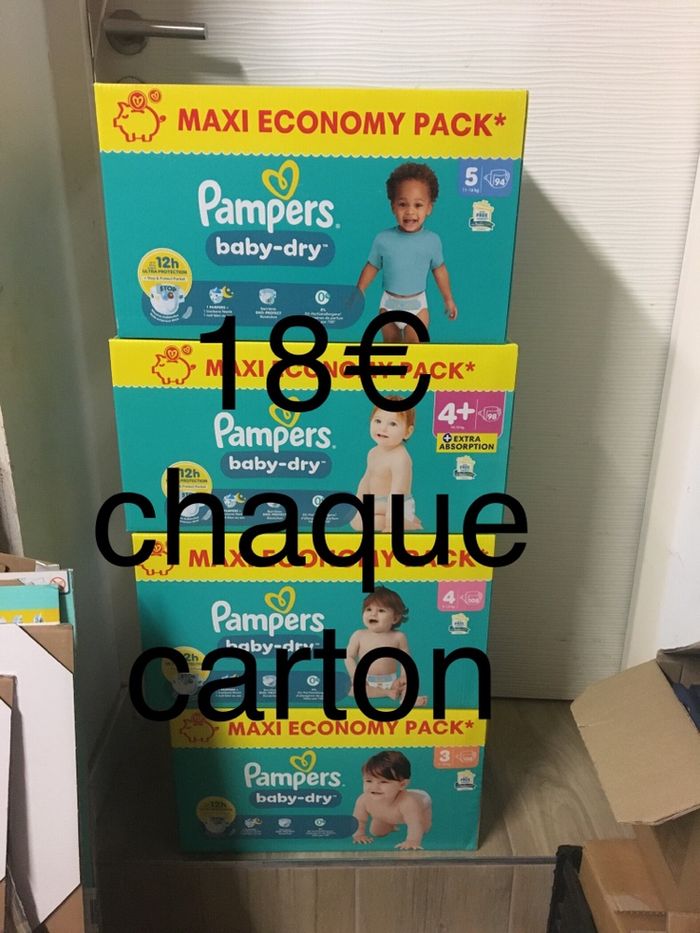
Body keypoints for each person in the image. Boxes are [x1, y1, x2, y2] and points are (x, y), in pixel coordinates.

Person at [357, 162, 458, 343]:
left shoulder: (432, 240)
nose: (410, 211)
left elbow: (440, 270)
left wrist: (448, 299)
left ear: (429, 208)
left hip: (417, 306)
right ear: (393, 207)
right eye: (403, 204)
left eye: (418, 205)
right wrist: (360, 290)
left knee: (415, 348)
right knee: (390, 348)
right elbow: (372, 267)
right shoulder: (383, 239)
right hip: (388, 304)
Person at [350, 399, 422, 532]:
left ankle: (408, 523)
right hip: (378, 502)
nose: (383, 428)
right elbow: (366, 480)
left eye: (393, 424)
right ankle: (407, 521)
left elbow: (397, 492)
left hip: (398, 505)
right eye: (378, 421)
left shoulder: (400, 458)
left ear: (407, 432)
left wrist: (390, 524)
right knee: (355, 521)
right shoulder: (373, 452)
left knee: (363, 524)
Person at [352, 751, 432, 850]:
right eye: (369, 781)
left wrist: (412, 841)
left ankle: (394, 821)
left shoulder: (408, 802)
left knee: (423, 829)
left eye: (383, 782)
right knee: (376, 832)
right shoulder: (363, 800)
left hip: (422, 801)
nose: (374, 787)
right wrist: (358, 835)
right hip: (385, 813)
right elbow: (358, 820)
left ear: (402, 785)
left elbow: (414, 824)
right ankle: (391, 825)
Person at [345, 587, 410, 700]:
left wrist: (404, 676)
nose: (373, 614)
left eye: (381, 611)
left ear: (395, 618)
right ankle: (387, 693)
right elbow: (348, 656)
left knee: (408, 685)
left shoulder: (398, 637)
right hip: (366, 680)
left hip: (392, 681)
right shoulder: (359, 635)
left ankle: (407, 697)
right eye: (369, 609)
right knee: (349, 689)